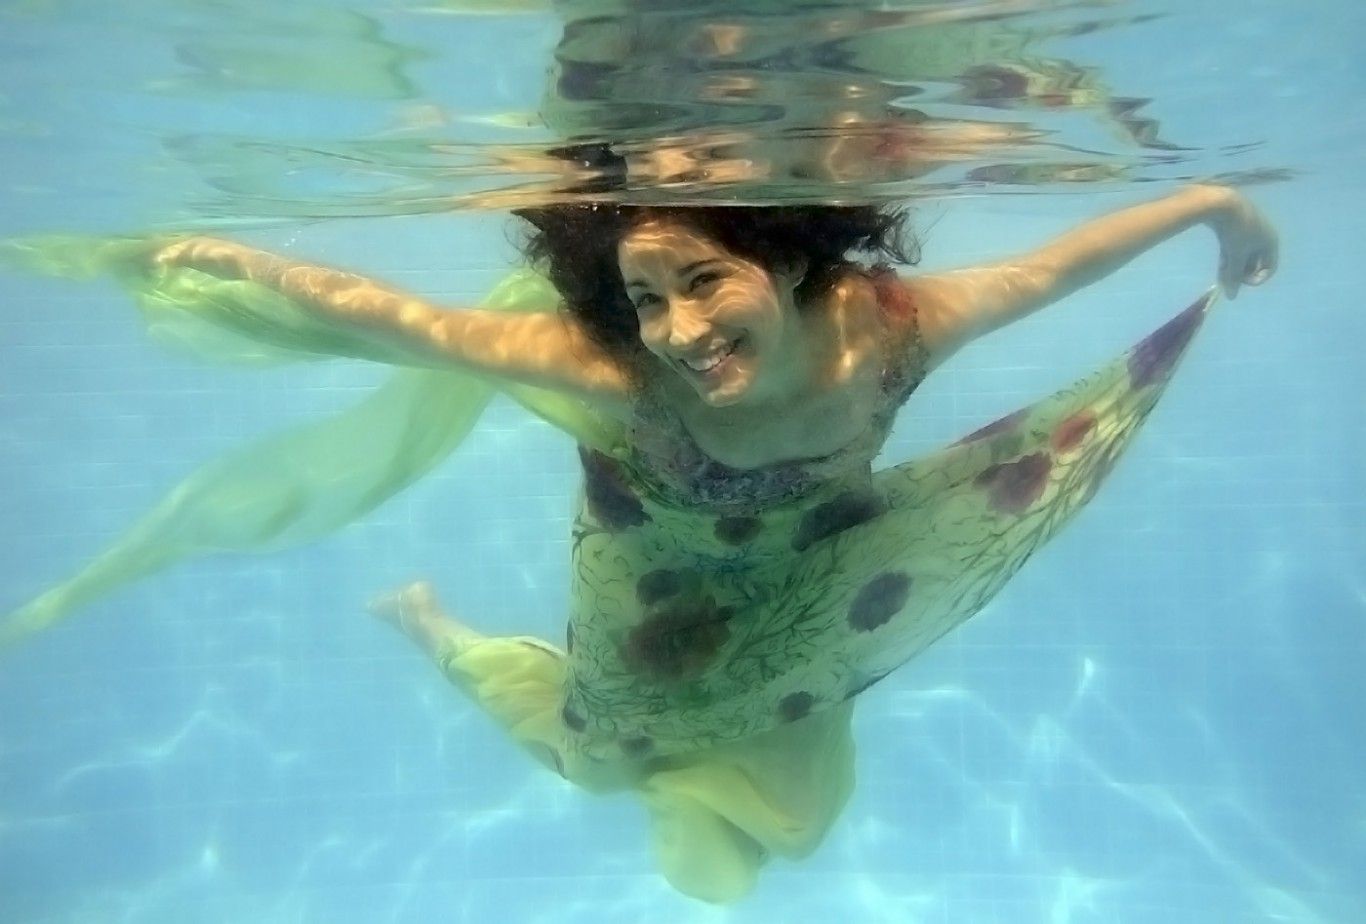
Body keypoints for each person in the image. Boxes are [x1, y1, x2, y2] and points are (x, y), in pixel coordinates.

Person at [1, 183, 1276, 902]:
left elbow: (1059, 266)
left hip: (816, 567)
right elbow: (398, 321)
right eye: (646, 299)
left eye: (704, 280)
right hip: (649, 589)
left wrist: (1214, 209)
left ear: (784, 261)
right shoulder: (619, 375)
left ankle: (502, 662)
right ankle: (437, 630)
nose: (679, 331)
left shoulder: (892, 329)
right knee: (595, 758)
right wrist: (238, 260)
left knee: (790, 818)